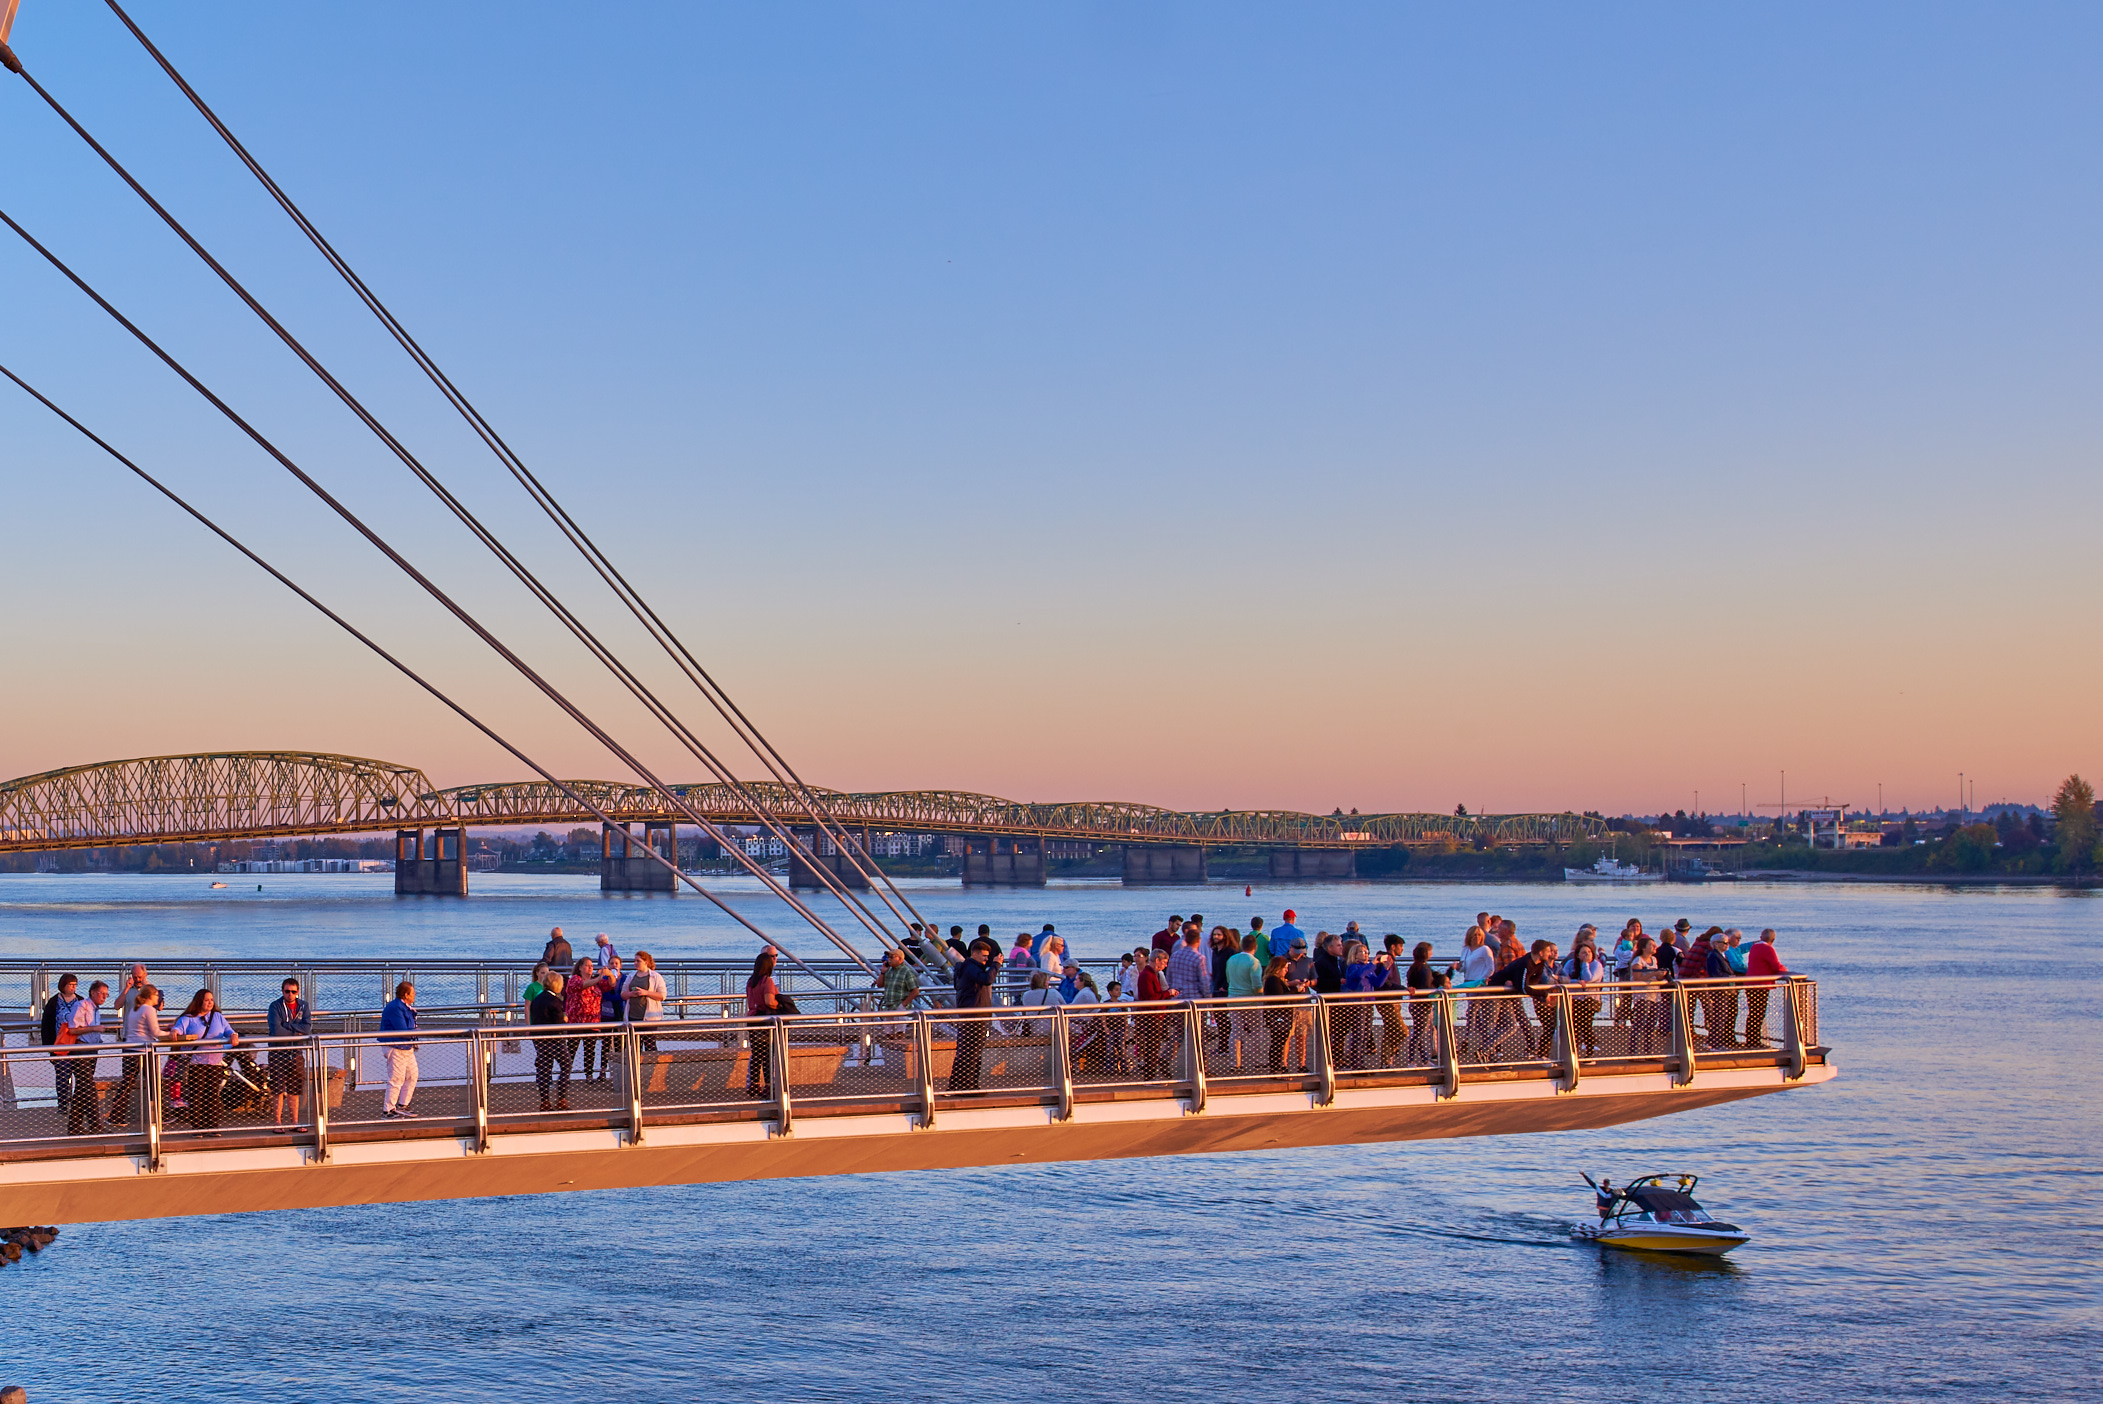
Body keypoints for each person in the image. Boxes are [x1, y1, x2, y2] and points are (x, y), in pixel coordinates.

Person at [170, 989, 238, 1131]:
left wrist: (233, 1035)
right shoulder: (188, 1018)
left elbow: (228, 1030)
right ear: (199, 1001)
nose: (210, 1003)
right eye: (207, 1000)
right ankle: (198, 1127)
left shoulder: (218, 1017)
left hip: (215, 1062)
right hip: (197, 1062)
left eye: (211, 1000)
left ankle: (212, 1126)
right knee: (197, 1095)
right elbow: (178, 1029)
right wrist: (175, 1032)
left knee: (212, 1095)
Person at [62, 980, 112, 1135]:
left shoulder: (96, 1009)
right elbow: (73, 1029)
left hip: (91, 1051)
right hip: (80, 1050)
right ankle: (96, 1126)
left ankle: (74, 1126)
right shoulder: (81, 1005)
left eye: (106, 994)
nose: (104, 997)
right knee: (89, 1087)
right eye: (101, 993)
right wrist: (95, 1028)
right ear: (92, 993)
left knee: (82, 1088)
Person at [948, 940, 997, 1092]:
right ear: (974, 954)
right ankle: (967, 1085)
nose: (986, 959)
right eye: (983, 956)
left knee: (967, 1050)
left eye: (987, 957)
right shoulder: (970, 968)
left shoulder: (965, 968)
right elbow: (987, 979)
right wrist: (996, 965)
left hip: (971, 1013)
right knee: (971, 1052)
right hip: (975, 1014)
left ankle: (960, 1084)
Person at [266, 977, 312, 1127]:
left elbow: (307, 1029)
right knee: (277, 1088)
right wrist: (296, 1032)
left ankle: (295, 1122)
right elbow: (276, 1031)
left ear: (297, 992)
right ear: (282, 991)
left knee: (294, 1088)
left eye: (293, 992)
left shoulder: (304, 1006)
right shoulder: (275, 1006)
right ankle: (277, 1122)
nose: (290, 995)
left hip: (296, 1052)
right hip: (277, 1051)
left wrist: (287, 1025)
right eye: (287, 991)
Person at [564, 957, 615, 1081]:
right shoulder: (574, 979)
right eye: (587, 965)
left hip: (593, 1021)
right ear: (580, 967)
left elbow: (611, 985)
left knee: (590, 1049)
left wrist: (609, 975)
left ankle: (589, 1075)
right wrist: (599, 977)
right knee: (571, 1049)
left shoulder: (596, 981)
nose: (590, 968)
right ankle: (565, 1075)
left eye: (592, 965)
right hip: (577, 1021)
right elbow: (582, 985)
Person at [1136, 947, 1181, 1079]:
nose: (1166, 965)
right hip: (1151, 1015)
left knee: (1154, 1046)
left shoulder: (1151, 974)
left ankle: (1151, 1074)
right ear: (1157, 960)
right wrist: (1168, 993)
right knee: (1152, 1047)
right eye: (1164, 962)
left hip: (1155, 1014)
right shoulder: (1147, 975)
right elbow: (1151, 997)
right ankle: (1149, 1076)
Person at [1561, 934, 1607, 1058]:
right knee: (1573, 1027)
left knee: (1586, 1026)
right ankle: (1573, 1053)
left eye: (1588, 952)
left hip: (1589, 1000)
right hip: (1574, 999)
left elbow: (1589, 978)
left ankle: (1590, 1053)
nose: (1586, 955)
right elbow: (1563, 979)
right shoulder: (1571, 963)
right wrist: (1576, 982)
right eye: (1583, 953)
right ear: (1577, 954)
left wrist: (1585, 964)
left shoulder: (1596, 965)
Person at [746, 950, 784, 1098]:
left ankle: (754, 1085)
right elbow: (769, 1001)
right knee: (767, 1054)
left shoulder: (751, 981)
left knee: (756, 1054)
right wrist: (778, 1005)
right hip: (765, 1020)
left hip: (752, 1019)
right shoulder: (767, 981)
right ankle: (768, 1086)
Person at [378, 981, 420, 1118]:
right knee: (396, 1078)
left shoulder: (404, 1007)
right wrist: (415, 1032)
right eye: (413, 993)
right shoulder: (396, 1008)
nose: (415, 995)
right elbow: (402, 1030)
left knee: (412, 1075)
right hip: (395, 1047)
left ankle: (403, 1104)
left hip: (406, 1047)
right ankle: (388, 1109)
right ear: (406, 994)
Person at [530, 972, 570, 1110]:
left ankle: (545, 1101)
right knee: (566, 1065)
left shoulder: (538, 999)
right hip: (554, 1039)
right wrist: (565, 1020)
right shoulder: (555, 1001)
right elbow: (558, 1022)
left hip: (540, 1039)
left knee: (545, 1069)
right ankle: (561, 1098)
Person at [1226, 932, 1266, 1070]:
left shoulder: (1231, 960)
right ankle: (1257, 1060)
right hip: (1250, 1001)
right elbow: (1256, 985)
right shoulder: (1254, 962)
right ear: (1255, 947)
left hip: (1233, 999)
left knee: (1235, 1031)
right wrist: (1261, 996)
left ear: (1242, 945)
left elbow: (1229, 980)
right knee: (1256, 1031)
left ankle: (1235, 1062)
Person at [1743, 929, 1791, 1045]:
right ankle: (1754, 1041)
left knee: (1753, 1012)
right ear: (1773, 940)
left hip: (1750, 984)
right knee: (1759, 1013)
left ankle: (1750, 1039)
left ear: (1760, 937)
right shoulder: (1768, 949)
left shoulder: (1754, 947)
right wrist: (1785, 970)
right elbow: (1775, 966)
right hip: (1761, 985)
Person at [1403, 941, 1448, 1063]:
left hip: (1414, 1003)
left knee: (1419, 1033)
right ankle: (1411, 1060)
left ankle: (1424, 1059)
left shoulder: (1413, 968)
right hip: (1423, 1005)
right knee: (1418, 1034)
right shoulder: (1425, 969)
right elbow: (1426, 987)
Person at [1281, 935, 1316, 1072]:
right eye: (1297, 951)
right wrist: (1291, 984)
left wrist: (1308, 983)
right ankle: (1283, 1064)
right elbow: (1276, 979)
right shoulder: (1282, 960)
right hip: (1288, 1003)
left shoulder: (1308, 961)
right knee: (1287, 1036)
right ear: (1290, 948)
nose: (1300, 954)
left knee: (1302, 1036)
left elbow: (1315, 980)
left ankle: (1301, 1064)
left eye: (1302, 951)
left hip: (1304, 1002)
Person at [627, 951, 668, 1053]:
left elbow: (662, 995)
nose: (635, 963)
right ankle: (636, 1067)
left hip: (649, 1017)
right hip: (633, 1016)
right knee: (635, 1046)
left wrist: (646, 993)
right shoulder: (631, 976)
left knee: (650, 1044)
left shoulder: (655, 976)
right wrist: (632, 994)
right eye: (634, 961)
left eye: (638, 961)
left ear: (645, 962)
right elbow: (623, 993)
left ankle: (653, 1067)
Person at [1260, 956, 1295, 1073]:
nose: (1286, 970)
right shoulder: (1273, 980)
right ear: (1278, 968)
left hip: (1280, 1015)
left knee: (1279, 1041)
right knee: (1277, 1042)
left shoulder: (1276, 980)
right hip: (1278, 1016)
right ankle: (1275, 1068)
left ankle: (1276, 1067)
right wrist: (1296, 991)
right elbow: (1280, 997)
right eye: (1284, 968)